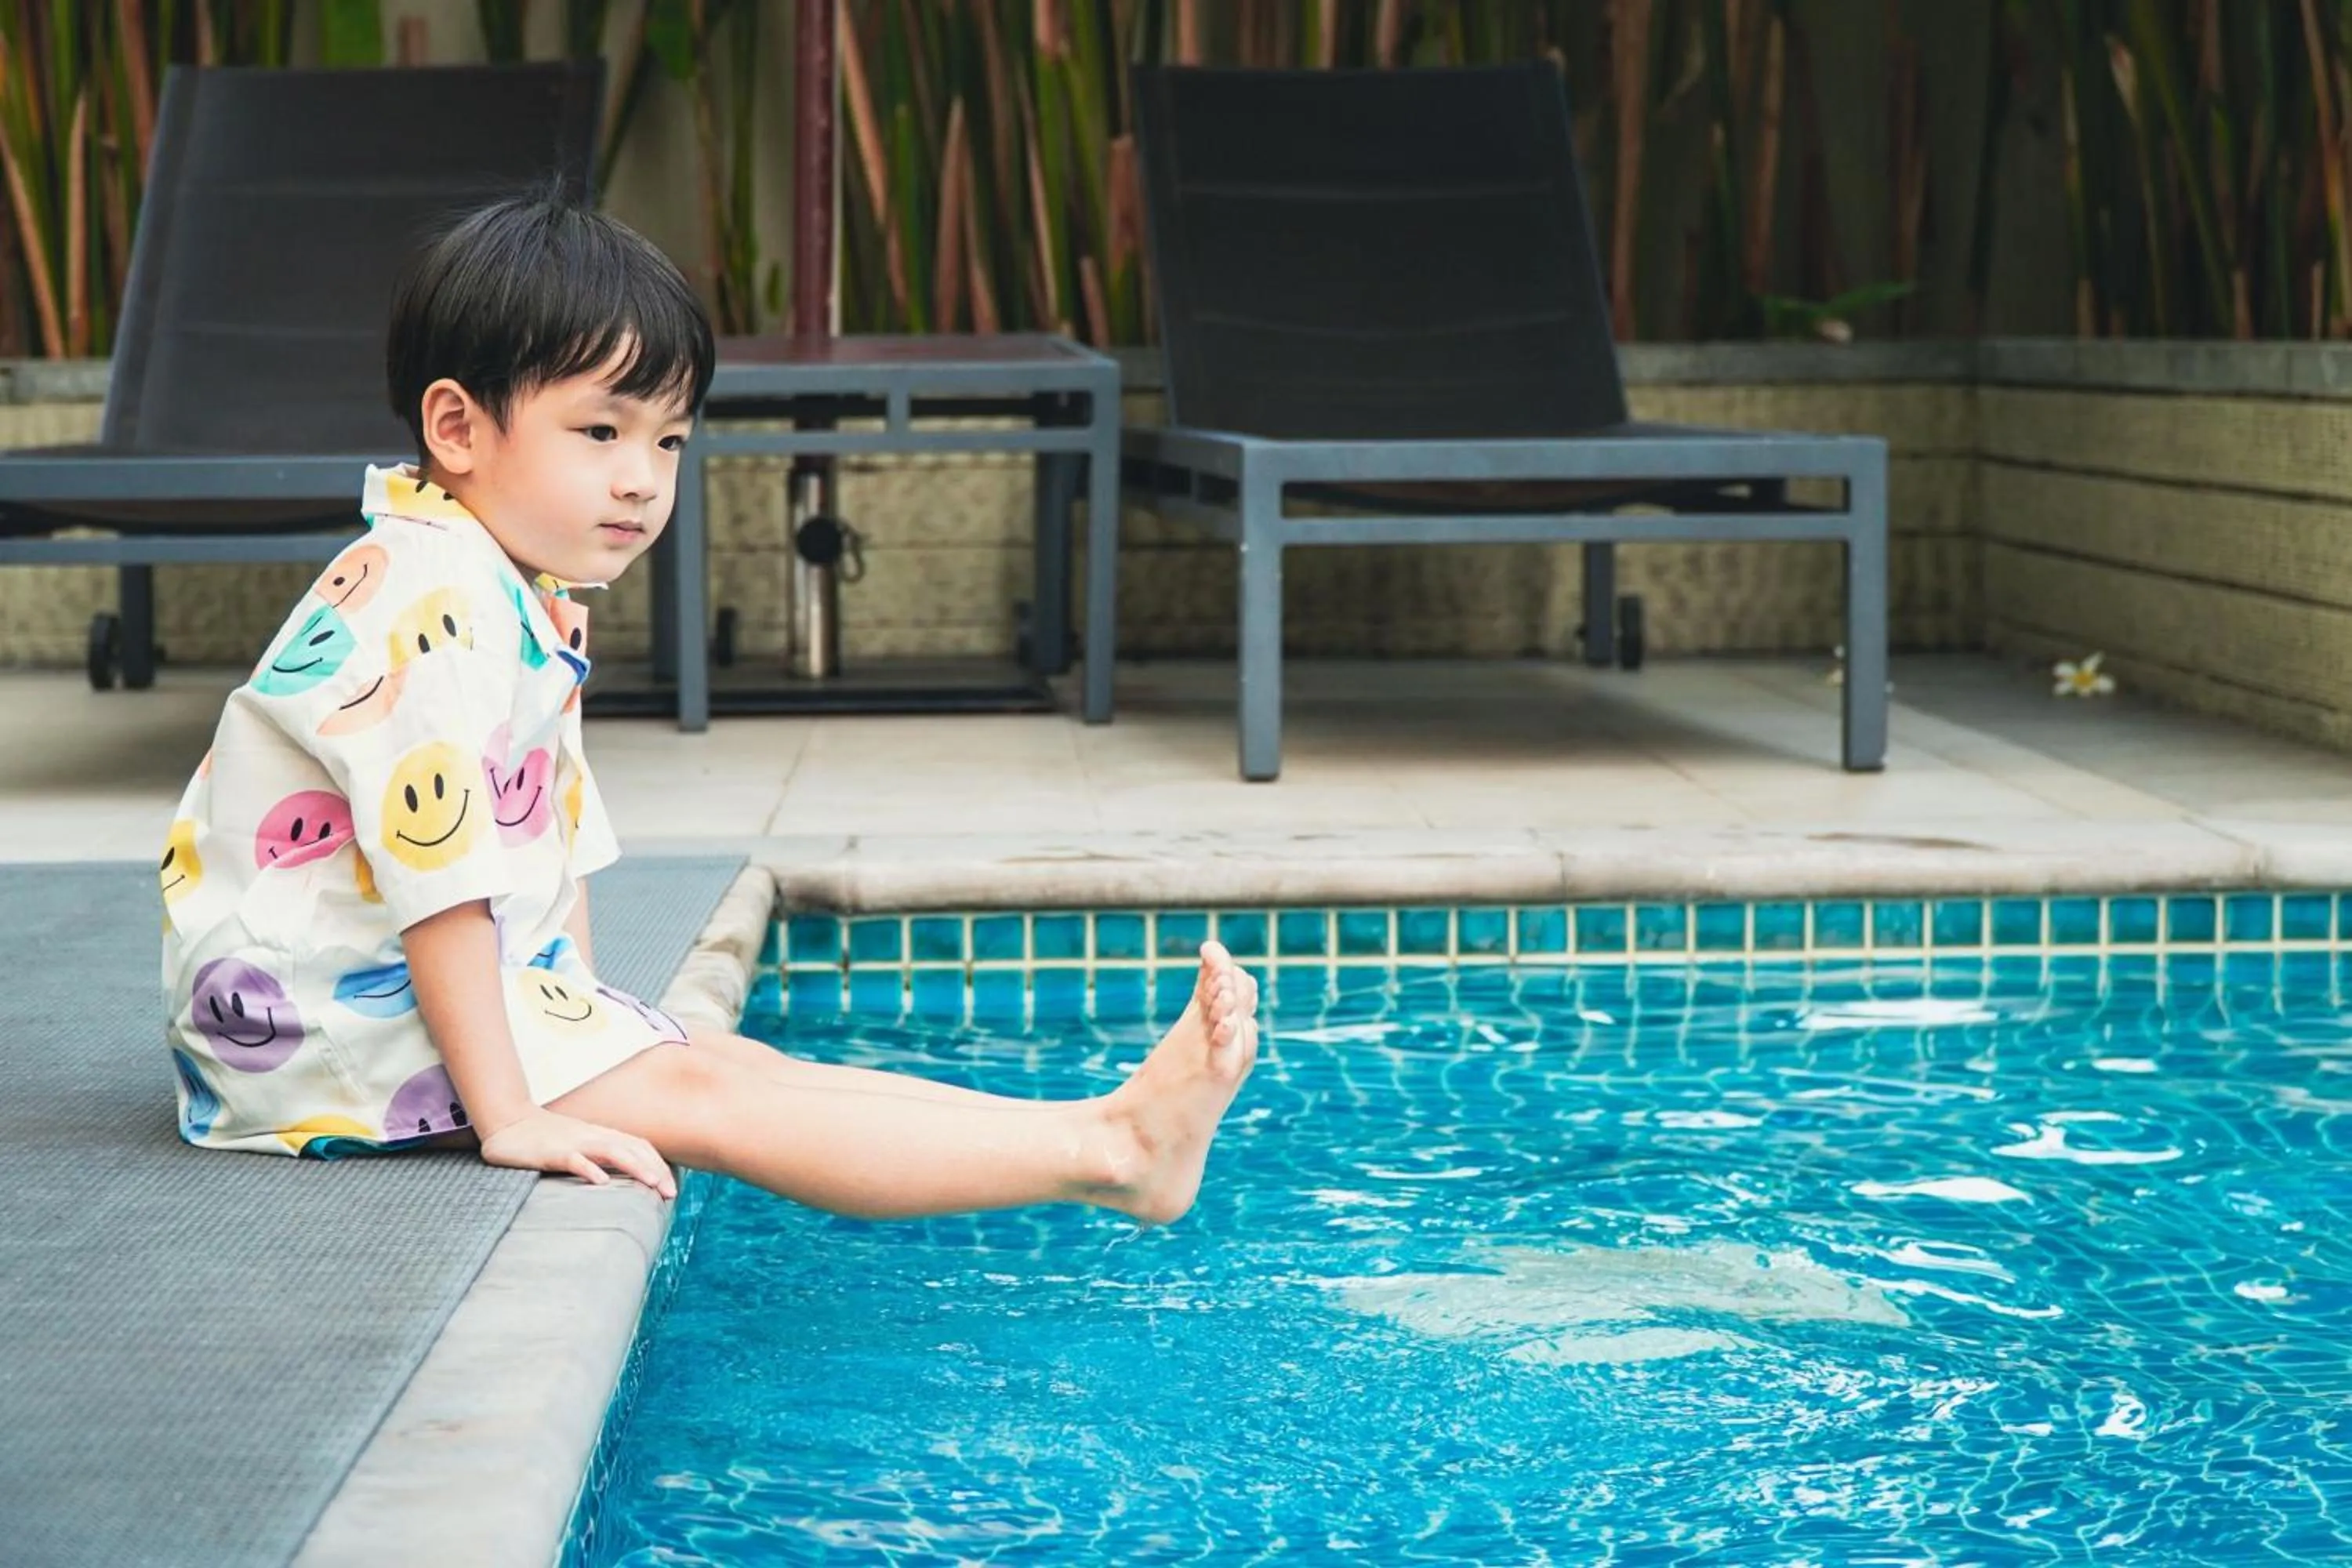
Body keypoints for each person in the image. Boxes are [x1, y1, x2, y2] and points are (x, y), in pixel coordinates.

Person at [160, 193, 1258, 1225]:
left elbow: (548, 832)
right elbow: (440, 885)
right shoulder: (429, 601)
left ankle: (1106, 1137)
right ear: (457, 428)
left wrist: (588, 1019)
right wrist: (516, 1113)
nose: (643, 477)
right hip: (319, 1039)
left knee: (726, 1062)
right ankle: (1113, 1155)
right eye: (602, 432)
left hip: (385, 1001)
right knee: (708, 1097)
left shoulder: (500, 580)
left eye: (670, 440)